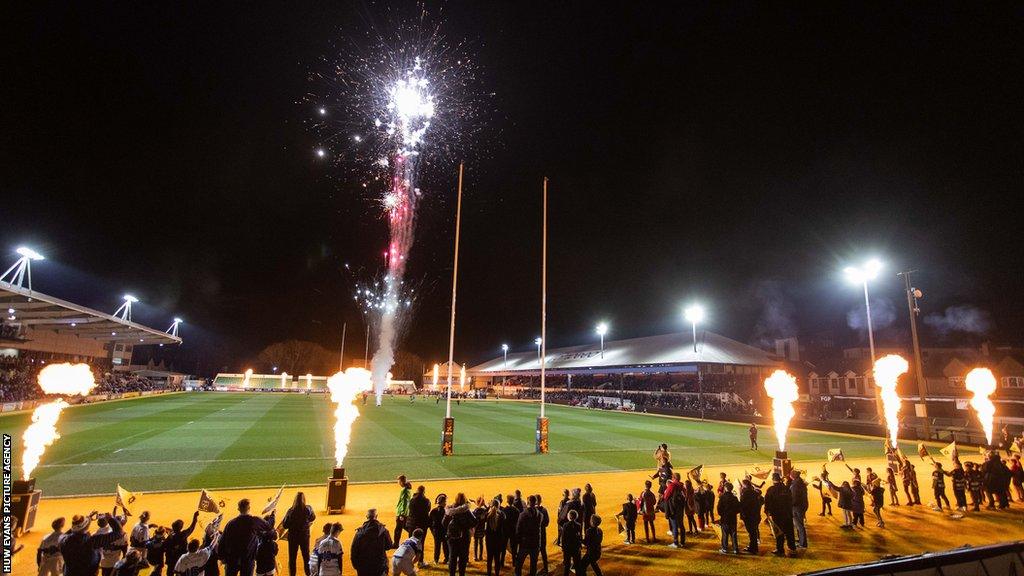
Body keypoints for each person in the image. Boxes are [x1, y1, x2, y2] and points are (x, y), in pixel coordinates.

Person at [59, 512, 125, 576]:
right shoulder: (92, 541)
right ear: (86, 527)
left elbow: (68, 533)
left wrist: (84, 521)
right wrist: (110, 519)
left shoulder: (63, 540)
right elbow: (119, 533)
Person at [220, 500, 275, 576]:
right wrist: (272, 515)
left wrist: (222, 557)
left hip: (232, 559)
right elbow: (269, 526)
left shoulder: (231, 523)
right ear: (249, 508)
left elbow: (222, 541)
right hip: (248, 560)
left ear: (238, 509)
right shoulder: (254, 520)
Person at [280, 493, 317, 576]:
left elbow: (285, 525)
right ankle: (308, 574)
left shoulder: (290, 511)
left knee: (292, 558)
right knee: (306, 557)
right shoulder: (308, 508)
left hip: (293, 537)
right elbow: (313, 518)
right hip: (304, 537)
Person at [351, 509, 392, 576]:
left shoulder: (359, 532)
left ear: (367, 517)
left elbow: (354, 550)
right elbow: (389, 546)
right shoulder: (384, 531)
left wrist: (356, 566)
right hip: (379, 566)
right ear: (376, 516)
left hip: (363, 567)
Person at [764, 473, 796, 557]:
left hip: (777, 515)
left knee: (779, 533)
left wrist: (767, 512)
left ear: (773, 480)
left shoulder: (771, 490)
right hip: (788, 514)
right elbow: (791, 500)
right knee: (789, 531)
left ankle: (780, 549)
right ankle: (792, 548)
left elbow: (767, 502)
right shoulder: (786, 488)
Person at [444, 493, 476, 576]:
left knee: (452, 557)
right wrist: (465, 526)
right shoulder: (466, 511)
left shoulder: (449, 510)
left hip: (452, 536)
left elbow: (444, 523)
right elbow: (475, 522)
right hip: (464, 536)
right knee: (463, 558)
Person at [514, 495, 542, 576]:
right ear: (535, 502)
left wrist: (518, 541)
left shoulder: (523, 514)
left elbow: (518, 529)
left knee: (519, 564)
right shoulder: (539, 514)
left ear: (528, 502)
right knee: (533, 566)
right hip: (535, 543)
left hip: (525, 543)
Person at [407, 487, 431, 567]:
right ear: (424, 492)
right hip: (422, 524)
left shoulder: (412, 500)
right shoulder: (426, 501)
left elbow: (409, 510)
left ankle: (409, 561)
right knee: (421, 543)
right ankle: (420, 562)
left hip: (412, 524)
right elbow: (428, 510)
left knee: (411, 543)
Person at [739, 478, 763, 554]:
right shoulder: (754, 493)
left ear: (745, 485)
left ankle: (753, 548)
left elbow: (743, 505)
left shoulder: (746, 494)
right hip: (755, 515)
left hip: (749, 516)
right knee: (753, 532)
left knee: (751, 532)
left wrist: (741, 494)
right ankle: (753, 546)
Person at [662, 473, 685, 548]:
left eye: (672, 477)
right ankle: (682, 541)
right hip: (680, 508)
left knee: (674, 525)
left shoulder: (672, 485)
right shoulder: (682, 485)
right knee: (681, 525)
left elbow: (666, 496)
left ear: (674, 478)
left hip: (673, 508)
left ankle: (675, 543)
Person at [483, 499, 506, 576]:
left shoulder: (488, 514)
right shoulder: (502, 515)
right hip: (498, 540)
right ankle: (497, 573)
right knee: (497, 559)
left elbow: (482, 518)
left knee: (489, 559)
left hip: (489, 540)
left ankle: (489, 573)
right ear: (498, 505)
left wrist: (488, 507)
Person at [716, 483, 740, 554]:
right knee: (733, 534)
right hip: (733, 518)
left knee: (725, 534)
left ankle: (724, 548)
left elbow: (719, 508)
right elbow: (738, 508)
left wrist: (723, 514)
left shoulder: (722, 497)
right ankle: (735, 549)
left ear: (726, 488)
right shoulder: (734, 498)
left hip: (725, 518)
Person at [559, 511, 582, 576]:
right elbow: (579, 537)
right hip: (576, 548)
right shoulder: (579, 525)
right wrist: (579, 546)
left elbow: (563, 538)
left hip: (567, 548)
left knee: (567, 566)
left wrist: (563, 547)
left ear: (569, 516)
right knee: (577, 566)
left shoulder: (565, 525)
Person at [789, 470, 809, 548]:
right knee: (799, 525)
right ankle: (800, 539)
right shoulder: (800, 482)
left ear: (793, 476)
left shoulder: (795, 485)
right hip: (801, 506)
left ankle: (802, 543)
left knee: (799, 525)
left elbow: (794, 498)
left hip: (797, 507)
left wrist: (790, 505)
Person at [429, 495, 449, 566]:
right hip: (444, 531)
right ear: (442, 502)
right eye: (445, 501)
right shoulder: (446, 511)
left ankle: (436, 559)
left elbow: (429, 523)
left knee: (437, 546)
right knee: (445, 545)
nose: (446, 503)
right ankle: (447, 559)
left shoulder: (433, 511)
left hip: (436, 531)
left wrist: (432, 531)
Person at [501, 495, 520, 567]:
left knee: (503, 547)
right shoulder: (516, 511)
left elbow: (502, 521)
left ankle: (502, 561)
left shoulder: (504, 510)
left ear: (507, 501)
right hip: (513, 530)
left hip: (505, 531)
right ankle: (514, 562)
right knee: (514, 547)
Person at [395, 476, 413, 547]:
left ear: (402, 482)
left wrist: (402, 514)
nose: (398, 482)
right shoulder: (407, 489)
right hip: (405, 512)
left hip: (402, 513)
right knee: (406, 527)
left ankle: (396, 544)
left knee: (398, 529)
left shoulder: (405, 490)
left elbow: (405, 502)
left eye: (399, 481)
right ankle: (414, 536)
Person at [534, 494, 550, 575]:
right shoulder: (544, 510)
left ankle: (533, 570)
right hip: (542, 533)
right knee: (543, 552)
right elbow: (547, 522)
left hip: (534, 535)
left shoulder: (532, 510)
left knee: (534, 553)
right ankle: (546, 568)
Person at [472, 497, 487, 562]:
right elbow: (488, 509)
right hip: (482, 529)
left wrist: (475, 503)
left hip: (476, 529)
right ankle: (480, 556)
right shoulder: (484, 511)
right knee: (481, 543)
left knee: (475, 543)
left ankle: (475, 556)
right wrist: (484, 505)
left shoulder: (475, 511)